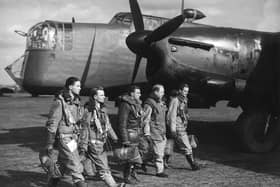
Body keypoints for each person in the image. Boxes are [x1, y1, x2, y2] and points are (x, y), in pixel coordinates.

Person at [42, 76, 87, 187]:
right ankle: (81, 183)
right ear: (70, 87)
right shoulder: (60, 102)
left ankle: (52, 184)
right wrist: (49, 143)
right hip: (64, 138)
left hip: (72, 138)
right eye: (77, 86)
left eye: (80, 86)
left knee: (63, 164)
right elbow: (52, 123)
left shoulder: (75, 102)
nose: (80, 88)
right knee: (75, 164)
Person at [79, 87, 125, 187]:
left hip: (101, 142)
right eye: (101, 95)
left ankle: (55, 174)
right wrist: (84, 145)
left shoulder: (103, 109)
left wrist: (115, 138)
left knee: (77, 162)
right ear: (95, 97)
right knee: (103, 166)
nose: (104, 97)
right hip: (93, 143)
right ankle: (113, 185)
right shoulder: (88, 110)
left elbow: (107, 125)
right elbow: (84, 128)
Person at [166, 83, 199, 171]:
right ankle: (193, 165)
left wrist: (186, 117)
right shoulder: (175, 100)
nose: (185, 93)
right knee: (186, 145)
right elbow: (171, 115)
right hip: (177, 125)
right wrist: (173, 129)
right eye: (184, 91)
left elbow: (184, 112)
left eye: (187, 91)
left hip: (182, 124)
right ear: (180, 91)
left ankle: (164, 161)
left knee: (170, 143)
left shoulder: (184, 100)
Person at [117, 85, 144, 184]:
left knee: (135, 157)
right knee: (129, 157)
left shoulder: (137, 104)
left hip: (136, 133)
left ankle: (133, 173)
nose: (140, 95)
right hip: (129, 133)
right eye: (137, 93)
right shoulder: (126, 105)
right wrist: (125, 139)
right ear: (132, 94)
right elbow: (122, 123)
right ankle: (127, 176)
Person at [142, 84, 168, 178]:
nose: (163, 93)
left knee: (152, 152)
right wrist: (147, 133)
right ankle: (159, 171)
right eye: (161, 92)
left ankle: (142, 162)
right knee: (159, 153)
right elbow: (146, 119)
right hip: (155, 132)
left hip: (161, 131)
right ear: (155, 92)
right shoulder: (149, 104)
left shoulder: (161, 102)